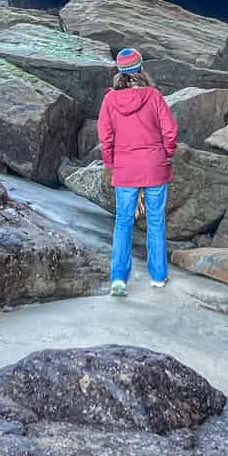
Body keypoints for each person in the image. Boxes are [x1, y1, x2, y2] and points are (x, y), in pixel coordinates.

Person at [97, 47, 178, 297]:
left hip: (125, 168)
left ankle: (119, 279)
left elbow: (105, 136)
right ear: (141, 68)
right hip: (154, 166)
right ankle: (158, 277)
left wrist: (111, 163)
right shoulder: (154, 96)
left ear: (119, 72)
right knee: (155, 222)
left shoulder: (110, 100)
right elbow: (170, 131)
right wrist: (167, 153)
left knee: (123, 223)